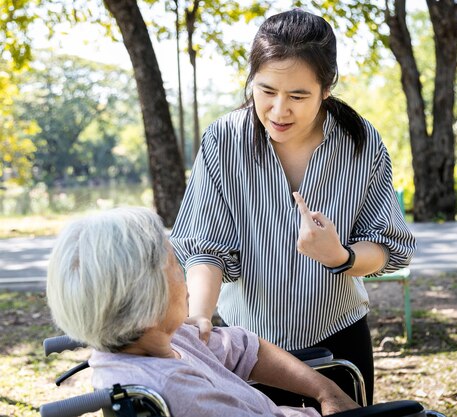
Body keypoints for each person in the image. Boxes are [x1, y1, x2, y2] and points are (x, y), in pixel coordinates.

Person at [170, 9, 418, 405]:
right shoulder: (223, 140)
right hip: (249, 349)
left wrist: (340, 256)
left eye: (298, 96)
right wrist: (200, 314)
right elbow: (205, 247)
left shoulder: (361, 142)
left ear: (326, 89)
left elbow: (386, 246)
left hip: (340, 340)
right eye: (266, 91)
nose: (279, 110)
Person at [46, 207, 360, 417]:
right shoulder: (181, 394)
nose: (185, 278)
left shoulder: (161, 337)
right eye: (175, 267)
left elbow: (245, 348)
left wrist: (325, 390)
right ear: (148, 300)